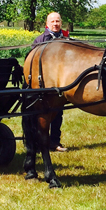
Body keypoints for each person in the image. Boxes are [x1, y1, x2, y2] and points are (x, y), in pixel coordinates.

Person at [32, 12, 69, 152]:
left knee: (58, 113)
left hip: (61, 84)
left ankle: (55, 142)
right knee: (42, 115)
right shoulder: (40, 40)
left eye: (58, 21)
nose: (55, 24)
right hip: (44, 84)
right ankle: (40, 142)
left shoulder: (67, 39)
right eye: (52, 21)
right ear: (47, 24)